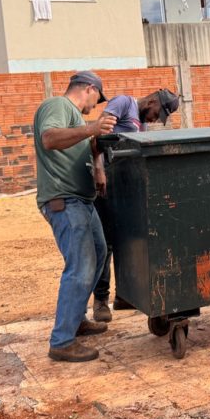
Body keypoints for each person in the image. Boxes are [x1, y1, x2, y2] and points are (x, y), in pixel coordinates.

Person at [33, 71, 116, 362]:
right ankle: (62, 341)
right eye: (97, 99)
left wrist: (98, 168)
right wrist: (91, 128)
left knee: (99, 253)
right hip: (65, 201)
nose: (96, 106)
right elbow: (49, 138)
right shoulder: (58, 105)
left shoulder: (77, 121)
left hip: (82, 201)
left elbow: (85, 147)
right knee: (81, 266)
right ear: (90, 89)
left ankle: (76, 319)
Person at [91, 89, 181, 322]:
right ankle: (100, 300)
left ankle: (125, 294)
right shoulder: (123, 103)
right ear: (152, 101)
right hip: (106, 184)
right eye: (157, 113)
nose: (155, 119)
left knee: (128, 240)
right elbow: (97, 135)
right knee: (106, 243)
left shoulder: (142, 125)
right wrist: (99, 169)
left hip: (126, 188)